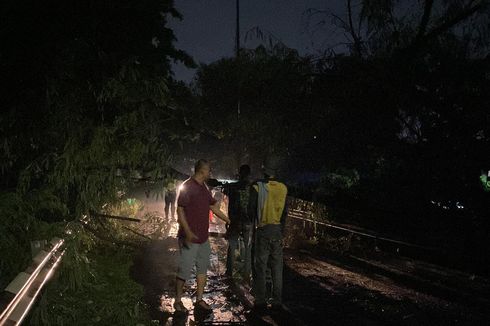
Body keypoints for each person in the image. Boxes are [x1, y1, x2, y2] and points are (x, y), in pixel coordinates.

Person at [173, 159, 231, 314]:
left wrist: (227, 219)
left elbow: (212, 206)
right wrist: (187, 231)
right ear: (202, 171)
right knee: (184, 270)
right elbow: (180, 211)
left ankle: (199, 300)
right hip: (189, 237)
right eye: (209, 170)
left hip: (203, 238)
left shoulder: (204, 188)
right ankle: (177, 301)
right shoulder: (187, 186)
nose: (210, 173)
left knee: (202, 270)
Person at [250, 155, 288, 313]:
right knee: (277, 267)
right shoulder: (283, 188)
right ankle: (277, 301)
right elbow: (285, 213)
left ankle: (260, 301)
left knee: (261, 266)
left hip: (263, 230)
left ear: (264, 170)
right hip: (277, 229)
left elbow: (250, 210)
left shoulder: (257, 187)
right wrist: (281, 231)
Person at [223, 165, 253, 282]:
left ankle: (229, 272)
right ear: (249, 174)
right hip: (248, 221)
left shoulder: (233, 186)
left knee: (232, 246)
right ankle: (246, 274)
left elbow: (225, 192)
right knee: (248, 247)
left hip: (235, 221)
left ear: (239, 173)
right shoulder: (252, 188)